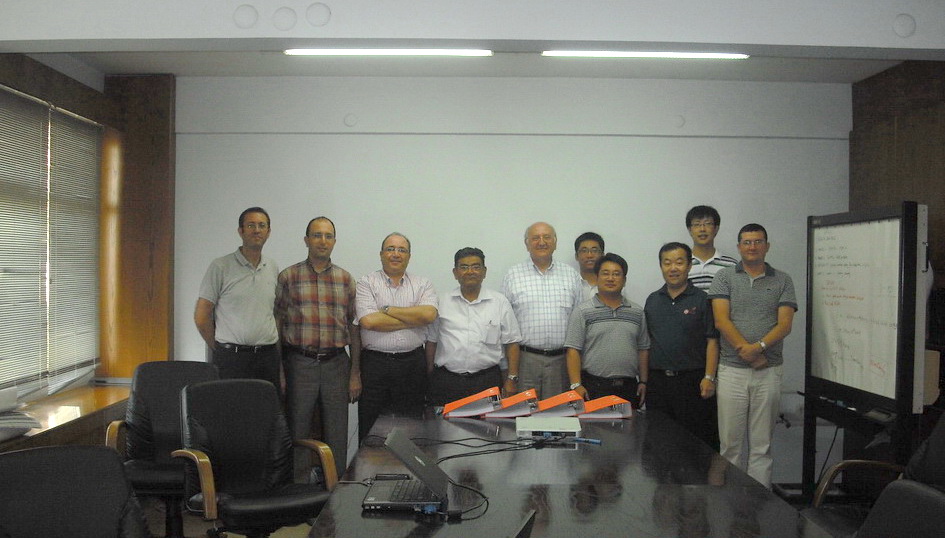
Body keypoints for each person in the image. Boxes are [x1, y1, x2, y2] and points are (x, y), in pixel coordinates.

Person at [708, 223, 797, 488]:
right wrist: (745, 352)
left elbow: (785, 325)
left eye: (758, 242)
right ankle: (729, 501)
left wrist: (758, 348)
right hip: (731, 371)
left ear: (767, 246)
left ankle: (756, 502)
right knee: (730, 445)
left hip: (768, 370)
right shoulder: (724, 277)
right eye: (747, 242)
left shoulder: (783, 280)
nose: (752, 246)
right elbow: (721, 320)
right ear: (739, 247)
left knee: (762, 446)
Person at [275, 216, 360, 479]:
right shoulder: (289, 276)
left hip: (337, 363)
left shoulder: (345, 279)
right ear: (306, 240)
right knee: (298, 431)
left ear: (334, 241)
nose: (323, 241)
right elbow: (277, 324)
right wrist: (279, 370)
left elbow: (354, 327)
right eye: (317, 235)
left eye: (328, 236)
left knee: (337, 432)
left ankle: (336, 490)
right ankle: (299, 491)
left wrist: (355, 373)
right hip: (299, 363)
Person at [356, 232, 438, 439]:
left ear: (409, 256)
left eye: (402, 250)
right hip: (375, 365)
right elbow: (369, 322)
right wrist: (413, 318)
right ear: (381, 254)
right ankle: (369, 461)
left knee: (411, 428)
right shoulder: (366, 282)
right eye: (390, 249)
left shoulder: (423, 284)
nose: (396, 254)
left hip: (412, 364)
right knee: (371, 428)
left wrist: (387, 310)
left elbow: (429, 315)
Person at [194, 206, 280, 389]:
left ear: (268, 232)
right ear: (240, 231)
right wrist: (220, 348)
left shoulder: (272, 267)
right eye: (251, 225)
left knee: (265, 406)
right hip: (231, 359)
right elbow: (202, 316)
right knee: (232, 406)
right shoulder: (221, 266)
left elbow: (273, 314)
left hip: (267, 358)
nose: (257, 230)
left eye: (262, 225)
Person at [644, 242, 720, 448]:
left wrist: (709, 377)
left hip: (693, 382)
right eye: (667, 263)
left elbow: (712, 341)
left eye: (679, 262)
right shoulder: (652, 300)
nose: (673, 268)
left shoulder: (703, 300)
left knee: (696, 443)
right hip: (658, 384)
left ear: (689, 266)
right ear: (661, 266)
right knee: (659, 443)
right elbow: (646, 343)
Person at [426, 247, 522, 406]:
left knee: (488, 422)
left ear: (484, 271)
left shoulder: (499, 302)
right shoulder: (441, 302)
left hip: (487, 380)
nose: (470, 272)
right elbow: (431, 341)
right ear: (455, 273)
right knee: (445, 422)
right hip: (448, 381)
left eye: (476, 267)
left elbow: (512, 342)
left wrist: (512, 379)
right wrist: (429, 375)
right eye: (464, 267)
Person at [502, 222, 582, 399]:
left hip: (561, 361)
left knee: (559, 413)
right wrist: (509, 372)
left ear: (555, 242)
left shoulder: (571, 275)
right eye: (535, 238)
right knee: (525, 413)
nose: (542, 242)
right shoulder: (512, 275)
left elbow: (578, 322)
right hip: (525, 361)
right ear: (526, 244)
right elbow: (506, 326)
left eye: (547, 237)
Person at [564, 253, 650, 407]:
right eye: (605, 273)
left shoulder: (637, 312)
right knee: (594, 424)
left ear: (624, 280)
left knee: (630, 423)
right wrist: (576, 385)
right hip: (594, 386)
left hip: (629, 387)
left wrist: (643, 381)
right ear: (597, 277)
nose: (611, 278)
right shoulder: (583, 311)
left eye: (616, 274)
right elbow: (573, 350)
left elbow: (643, 349)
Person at [686, 205, 737, 290]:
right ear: (689, 230)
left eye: (708, 224)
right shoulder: (681, 265)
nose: (702, 229)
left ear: (716, 229)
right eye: (697, 224)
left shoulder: (731, 265)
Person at [574, 232, 605, 301]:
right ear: (576, 256)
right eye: (584, 251)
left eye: (594, 251)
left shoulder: (612, 284)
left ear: (602, 255)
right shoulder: (570, 284)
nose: (589, 255)